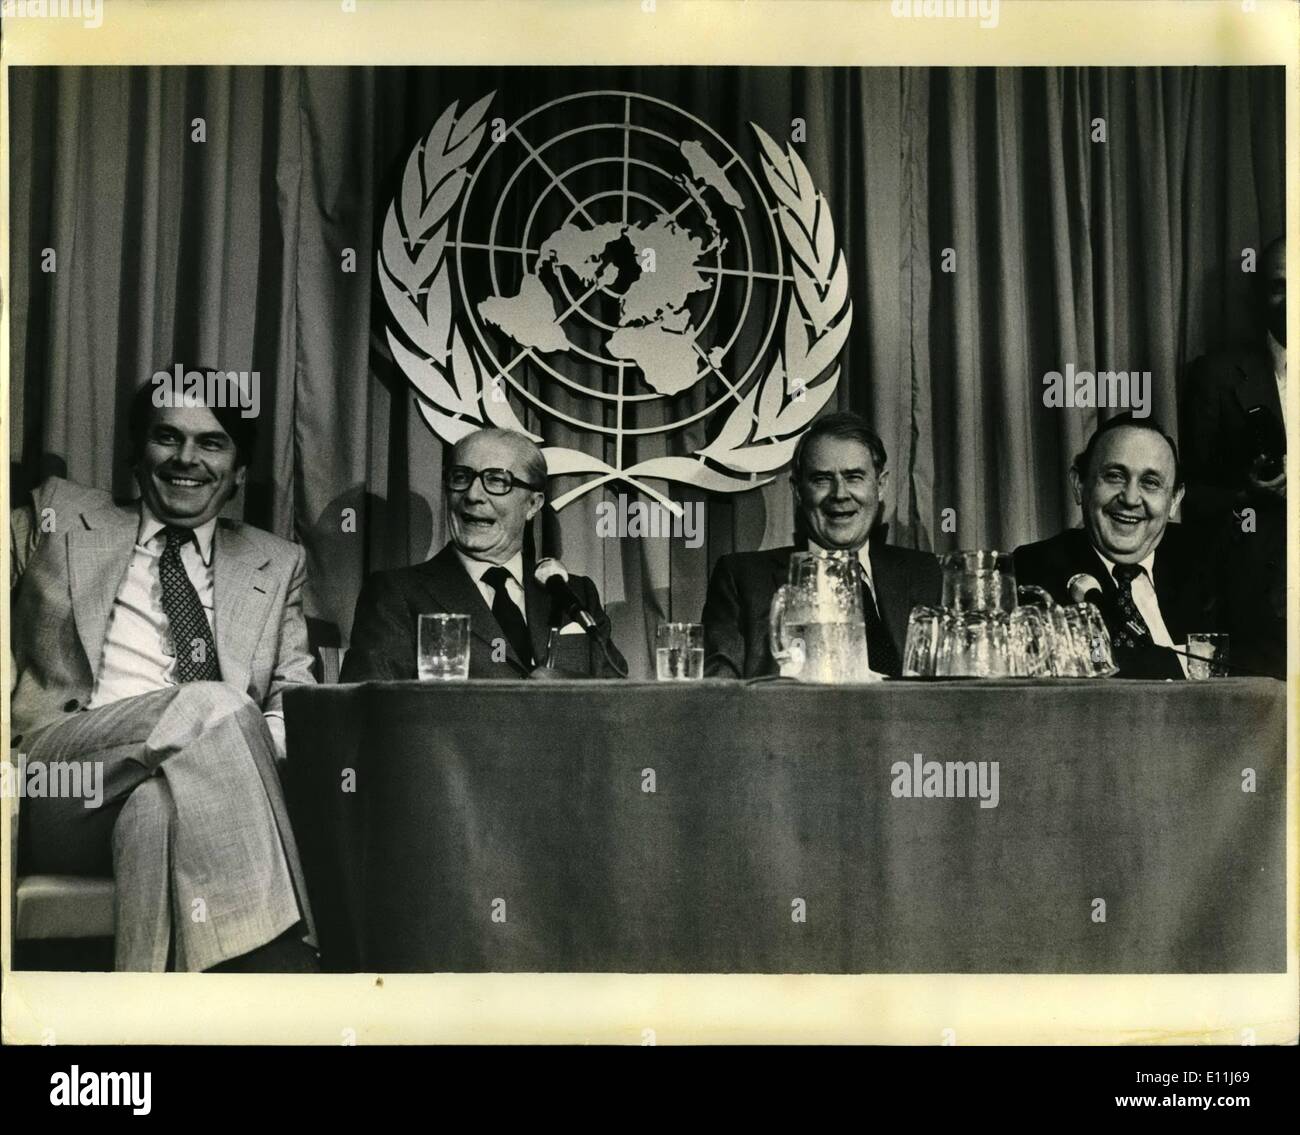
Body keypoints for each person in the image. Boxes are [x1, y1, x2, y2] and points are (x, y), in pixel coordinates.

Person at [10, 375, 317, 971]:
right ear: (137, 453)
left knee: (159, 811)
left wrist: (224, 754)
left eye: (212, 443)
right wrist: (229, 727)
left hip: (187, 784)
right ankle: (285, 961)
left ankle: (145, 1023)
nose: (186, 459)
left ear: (238, 469)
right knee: (216, 706)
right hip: (63, 782)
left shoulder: (276, 562)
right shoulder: (63, 514)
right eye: (167, 437)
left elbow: (294, 701)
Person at [341, 427, 626, 680]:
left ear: (533, 504)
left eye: (497, 480)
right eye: (461, 477)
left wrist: (565, 689)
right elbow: (369, 714)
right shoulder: (395, 594)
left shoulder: (575, 594)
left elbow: (622, 706)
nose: (473, 495)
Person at [701, 411, 941, 678]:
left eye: (853, 477)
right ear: (797, 491)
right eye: (822, 479)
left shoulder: (926, 573)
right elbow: (718, 695)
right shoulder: (741, 578)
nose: (839, 494)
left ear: (881, 486)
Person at [1014, 413, 1224, 680]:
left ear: (1174, 499)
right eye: (1115, 476)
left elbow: (1268, 655)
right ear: (1080, 485)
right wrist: (1187, 663)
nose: (1131, 498)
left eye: (1150, 482)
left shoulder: (1212, 559)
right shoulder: (1036, 566)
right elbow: (1067, 661)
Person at [1180, 234, 1286, 678]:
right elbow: (1191, 497)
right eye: (1280, 285)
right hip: (1256, 611)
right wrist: (1248, 492)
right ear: (1260, 296)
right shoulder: (1218, 376)